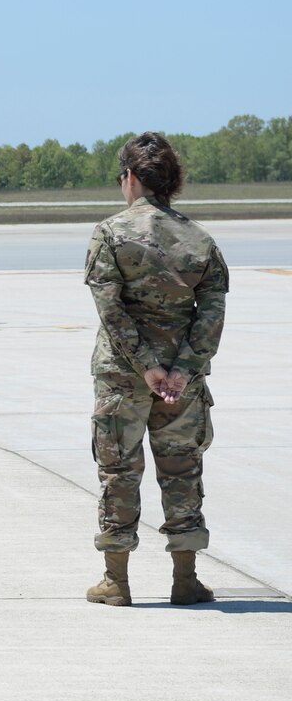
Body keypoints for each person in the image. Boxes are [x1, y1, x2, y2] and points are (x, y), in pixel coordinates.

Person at [84, 132, 229, 608]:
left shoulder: (111, 233)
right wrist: (182, 369)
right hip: (181, 386)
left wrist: (146, 368)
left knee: (119, 471)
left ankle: (116, 581)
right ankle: (185, 579)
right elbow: (211, 315)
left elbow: (111, 310)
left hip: (124, 380)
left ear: (130, 178)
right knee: (183, 471)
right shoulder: (199, 239)